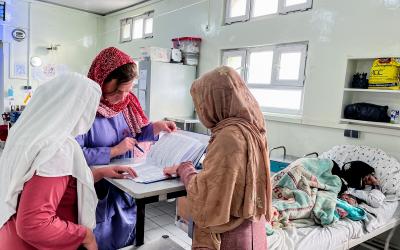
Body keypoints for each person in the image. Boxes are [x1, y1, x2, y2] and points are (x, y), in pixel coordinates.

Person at [76, 47, 176, 249]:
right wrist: (113, 151)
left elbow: (136, 134)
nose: (123, 98)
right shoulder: (83, 108)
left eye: (128, 91)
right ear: (101, 81)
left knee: (126, 238)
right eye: (118, 91)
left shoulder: (127, 104)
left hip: (127, 187)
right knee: (98, 238)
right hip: (97, 190)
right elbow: (73, 155)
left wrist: (155, 128)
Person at [164, 66, 272, 250]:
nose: (200, 111)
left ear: (216, 101)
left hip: (230, 235)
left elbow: (206, 196)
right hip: (254, 228)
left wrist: (185, 169)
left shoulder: (228, 137)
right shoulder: (253, 128)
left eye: (201, 104)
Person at [0, 73, 101, 249]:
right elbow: (34, 225)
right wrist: (86, 236)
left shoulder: (23, 136)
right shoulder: (58, 147)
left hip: (9, 237)